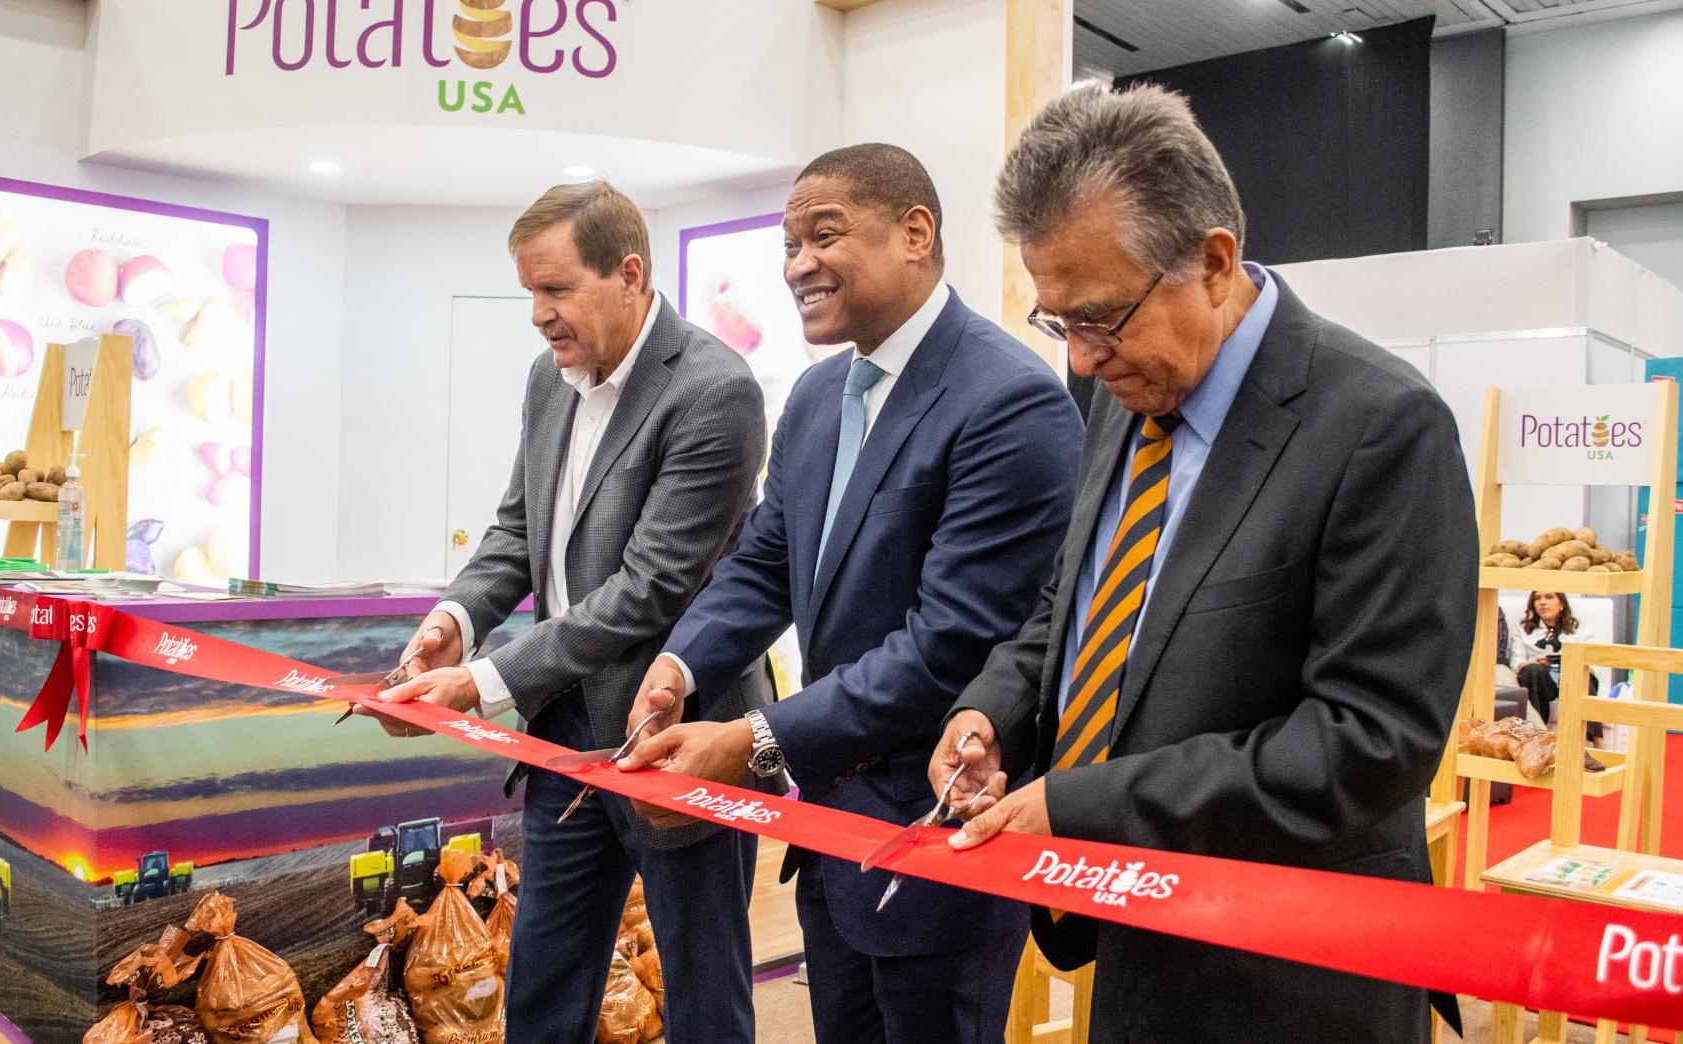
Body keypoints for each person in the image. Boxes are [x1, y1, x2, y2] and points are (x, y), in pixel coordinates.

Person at [932, 84, 1475, 1043]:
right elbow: (1079, 601)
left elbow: (1369, 743)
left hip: (1290, 980)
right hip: (1134, 946)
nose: (1085, 359)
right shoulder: (1124, 391)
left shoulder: (1381, 426)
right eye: (1059, 324)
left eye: (1099, 318)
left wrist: (1081, 803)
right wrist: (992, 710)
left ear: (1215, 262)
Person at [617, 144, 1084, 1043]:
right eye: (788, 245)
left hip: (938, 831)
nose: (797, 266)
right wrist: (681, 665)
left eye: (822, 237)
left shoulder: (1010, 401)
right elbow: (762, 564)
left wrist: (754, 742)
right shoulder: (819, 394)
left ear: (916, 233)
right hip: (831, 837)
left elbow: (947, 643)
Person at [367, 181, 772, 1044]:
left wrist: (480, 683)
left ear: (628, 275)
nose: (538, 316)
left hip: (681, 742)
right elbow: (518, 530)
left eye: (555, 290)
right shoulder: (549, 382)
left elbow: (649, 588)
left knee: (704, 999)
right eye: (529, 294)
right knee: (544, 985)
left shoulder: (714, 390)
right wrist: (456, 621)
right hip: (562, 745)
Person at [1512, 589, 1603, 744]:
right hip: (1540, 679)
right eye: (1537, 598)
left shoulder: (1579, 628)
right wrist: (1530, 665)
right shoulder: (1523, 628)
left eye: (1549, 597)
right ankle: (1538, 738)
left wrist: (1564, 662)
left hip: (1569, 675)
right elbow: (1516, 661)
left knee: (1580, 674)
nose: (1542, 602)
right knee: (1533, 671)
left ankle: (1599, 741)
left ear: (1561, 603)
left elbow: (1594, 663)